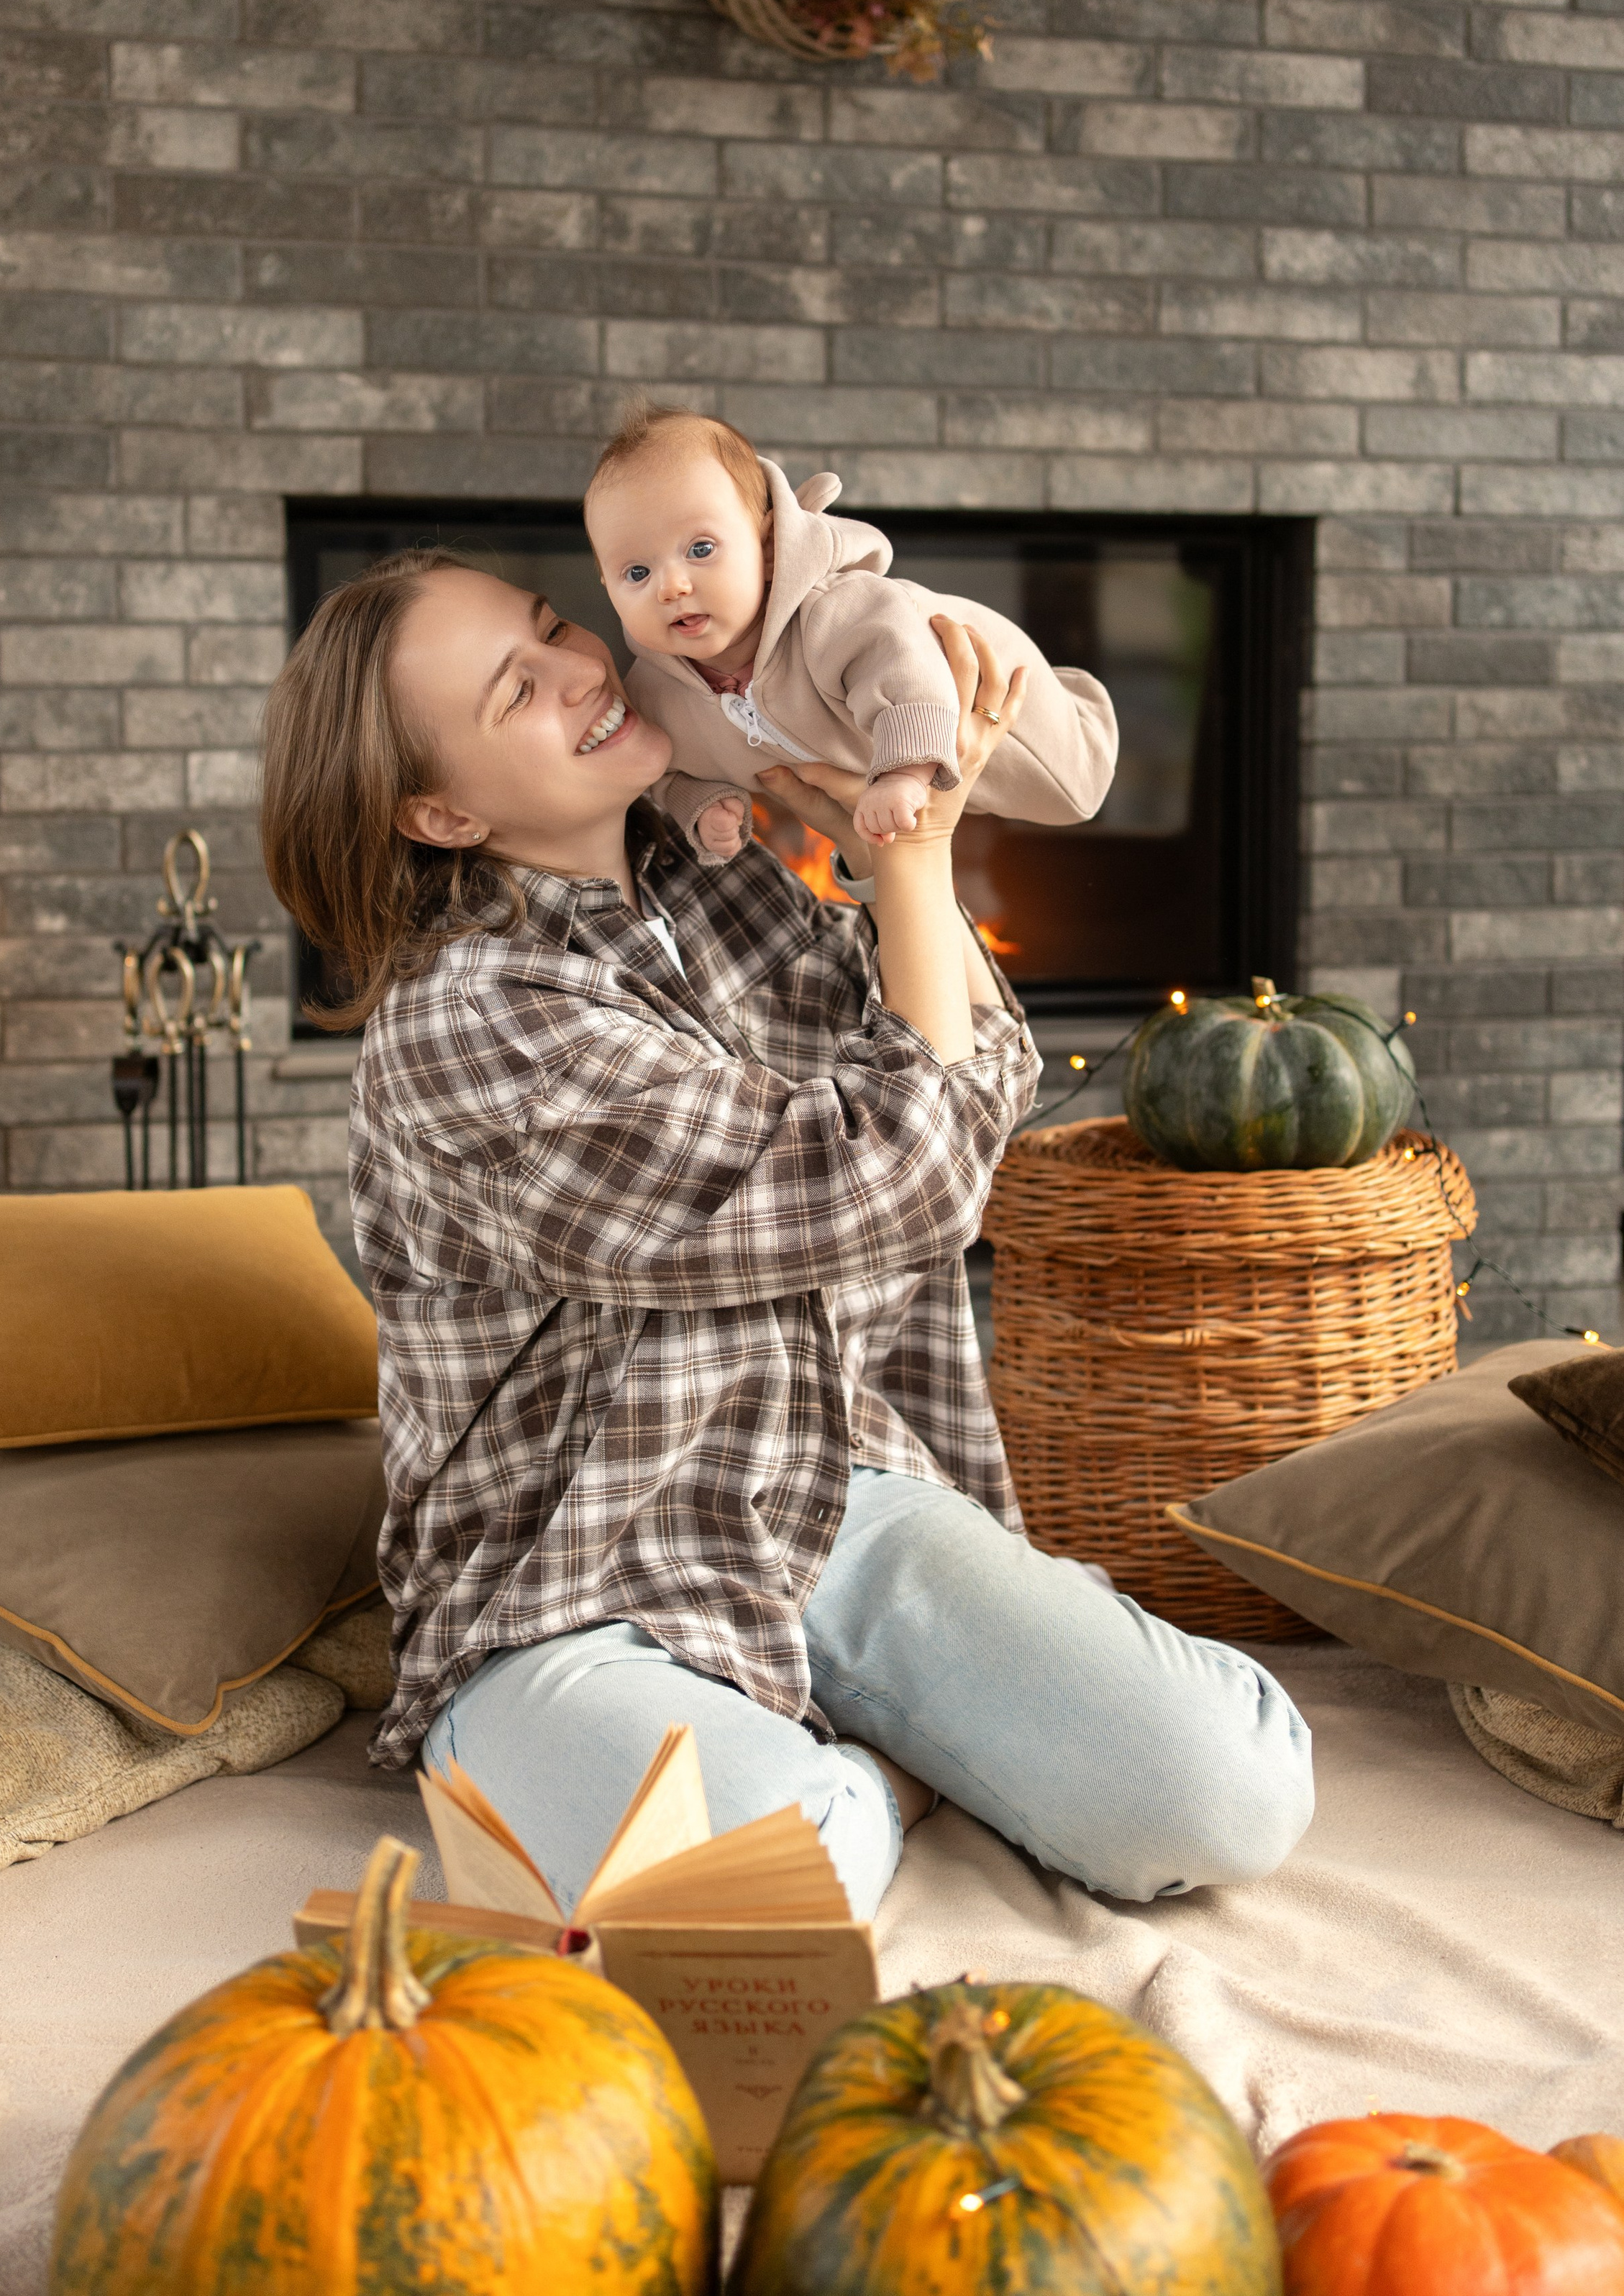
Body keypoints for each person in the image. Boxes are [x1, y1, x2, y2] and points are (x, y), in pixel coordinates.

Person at [259, 551, 1313, 1923]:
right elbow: (905, 1180)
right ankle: (875, 1779)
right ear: (441, 810)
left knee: (1227, 1790)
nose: (585, 665)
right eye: (520, 687)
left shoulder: (715, 882)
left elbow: (976, 1097)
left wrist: (902, 873)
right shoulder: (468, 1024)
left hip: (830, 1492)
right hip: (572, 1577)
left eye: (552, 625)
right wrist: (911, 877)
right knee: (757, 1876)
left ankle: (869, 1742)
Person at [584, 399, 1118, 858]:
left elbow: (904, 669)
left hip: (999, 696)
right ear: (608, 587)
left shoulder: (832, 611)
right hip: (914, 766)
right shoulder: (657, 695)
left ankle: (1077, 708)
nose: (671, 586)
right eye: (637, 572)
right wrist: (698, 806)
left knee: (1073, 788)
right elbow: (668, 770)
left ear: (769, 549)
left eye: (701, 550)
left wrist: (904, 774)